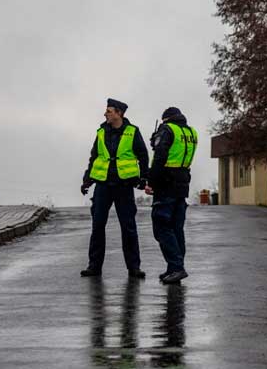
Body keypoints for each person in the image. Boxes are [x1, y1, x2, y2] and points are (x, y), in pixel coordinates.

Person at [80, 98, 149, 278]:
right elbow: (94, 156)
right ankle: (94, 266)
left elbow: (143, 155)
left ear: (119, 113)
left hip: (124, 185)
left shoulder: (132, 132)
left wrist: (143, 177)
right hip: (103, 185)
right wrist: (87, 180)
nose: (105, 114)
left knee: (128, 227)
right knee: (97, 226)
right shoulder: (102, 132)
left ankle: (134, 268)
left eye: (109, 111)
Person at [146, 106, 198, 284]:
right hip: (183, 182)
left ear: (165, 119)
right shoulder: (191, 132)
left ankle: (176, 267)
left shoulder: (167, 129)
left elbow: (160, 157)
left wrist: (151, 181)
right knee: (176, 228)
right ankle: (174, 267)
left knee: (161, 226)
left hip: (166, 183)